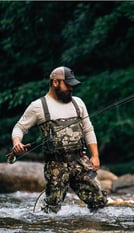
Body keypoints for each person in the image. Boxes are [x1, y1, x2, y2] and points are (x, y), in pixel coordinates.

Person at [11, 66, 108, 213]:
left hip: (80, 161)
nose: (71, 88)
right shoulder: (38, 106)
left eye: (72, 85)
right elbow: (19, 128)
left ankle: (92, 230)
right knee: (52, 210)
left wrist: (95, 156)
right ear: (55, 82)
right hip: (55, 165)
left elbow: (88, 129)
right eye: (67, 85)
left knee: (100, 201)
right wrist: (17, 142)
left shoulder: (78, 103)